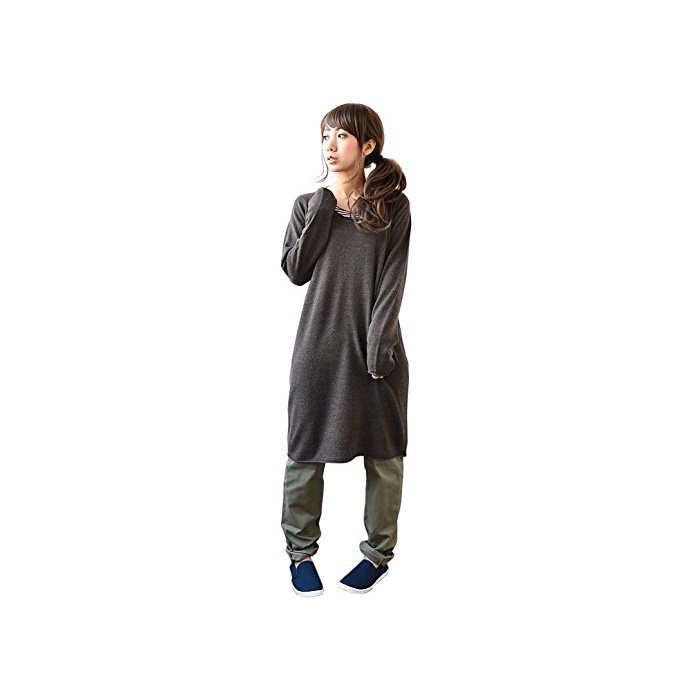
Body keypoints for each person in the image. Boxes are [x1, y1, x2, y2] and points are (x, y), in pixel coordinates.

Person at [280, 103, 411, 596]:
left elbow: (393, 281)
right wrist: (323, 206)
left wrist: (379, 348)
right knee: (304, 453)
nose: (329, 146)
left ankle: (378, 554)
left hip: (377, 349)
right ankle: (300, 553)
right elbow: (296, 270)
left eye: (341, 136)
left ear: (368, 145)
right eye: (325, 136)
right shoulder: (307, 205)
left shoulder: (392, 207)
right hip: (317, 349)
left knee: (384, 455)